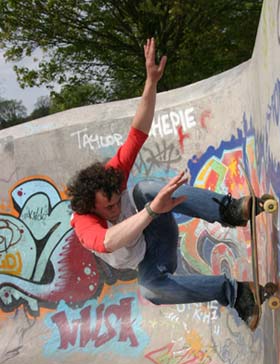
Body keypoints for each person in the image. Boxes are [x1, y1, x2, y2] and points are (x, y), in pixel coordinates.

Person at [67, 38, 267, 329]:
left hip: (157, 226)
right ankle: (237, 293)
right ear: (90, 206)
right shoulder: (83, 220)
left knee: (144, 189)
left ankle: (230, 210)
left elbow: (138, 132)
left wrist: (151, 81)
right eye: (107, 208)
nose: (113, 209)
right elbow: (108, 241)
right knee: (151, 289)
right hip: (149, 256)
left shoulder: (113, 175)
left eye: (114, 201)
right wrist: (149, 212)